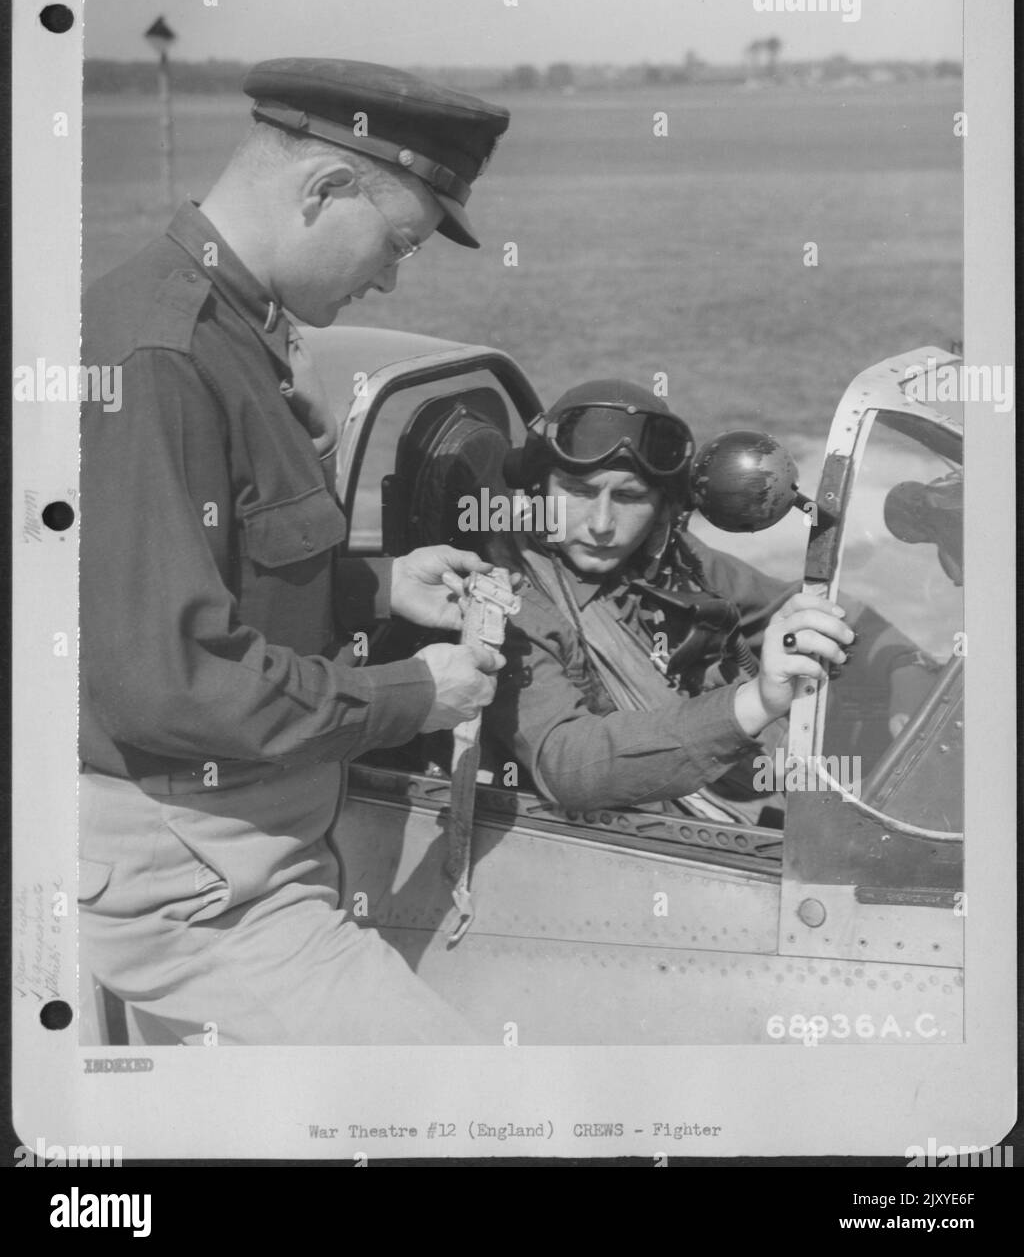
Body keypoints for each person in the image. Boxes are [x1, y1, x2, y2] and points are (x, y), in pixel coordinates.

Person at [79, 58, 512, 1045]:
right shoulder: (163, 354)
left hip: (245, 842)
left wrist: (377, 581)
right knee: (458, 1103)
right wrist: (413, 694)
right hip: (196, 879)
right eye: (397, 242)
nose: (392, 275)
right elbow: (171, 680)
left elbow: (226, 567)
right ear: (323, 190)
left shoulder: (234, 326)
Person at [484, 380, 904, 823]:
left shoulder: (670, 560)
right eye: (579, 491)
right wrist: (757, 702)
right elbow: (567, 763)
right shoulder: (512, 599)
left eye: (629, 496)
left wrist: (903, 671)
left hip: (739, 799)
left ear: (664, 507)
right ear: (537, 489)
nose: (602, 524)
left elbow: (826, 611)